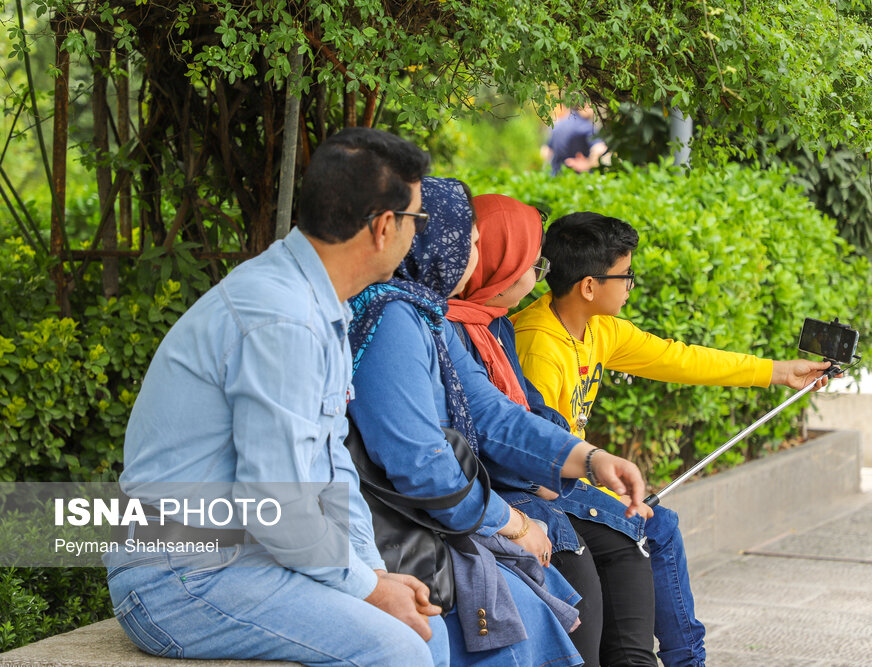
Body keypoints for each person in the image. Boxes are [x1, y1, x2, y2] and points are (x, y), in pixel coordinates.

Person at [104, 128, 450, 666]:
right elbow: (278, 503)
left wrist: (370, 573)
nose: (415, 235)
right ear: (384, 227)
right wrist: (365, 588)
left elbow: (332, 468)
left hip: (247, 556)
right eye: (417, 222)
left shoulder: (317, 302)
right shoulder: (282, 318)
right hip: (182, 575)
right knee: (396, 651)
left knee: (428, 629)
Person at [346, 177, 649, 666]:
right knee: (538, 615)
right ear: (434, 240)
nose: (475, 253)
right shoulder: (394, 320)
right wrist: (513, 521)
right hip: (408, 530)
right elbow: (423, 468)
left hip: (442, 515)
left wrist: (587, 457)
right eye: (470, 240)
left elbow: (490, 411)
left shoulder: (423, 316)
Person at [511, 211, 835, 666]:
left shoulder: (599, 328)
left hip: (573, 478)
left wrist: (779, 373)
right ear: (588, 285)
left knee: (658, 524)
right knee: (657, 526)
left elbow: (679, 359)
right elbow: (536, 457)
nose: (630, 285)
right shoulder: (539, 345)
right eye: (626, 275)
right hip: (541, 490)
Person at [446, 194, 690, 666]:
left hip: (540, 479)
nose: (539, 273)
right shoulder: (467, 330)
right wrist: (566, 473)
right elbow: (488, 431)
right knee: (599, 561)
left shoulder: (491, 326)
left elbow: (530, 412)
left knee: (637, 538)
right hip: (511, 491)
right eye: (530, 261)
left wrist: (779, 372)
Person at [541, 104, 608, 176]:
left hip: (557, 178)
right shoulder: (586, 126)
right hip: (578, 179)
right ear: (585, 105)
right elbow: (600, 149)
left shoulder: (558, 125)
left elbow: (545, 152)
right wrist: (588, 164)